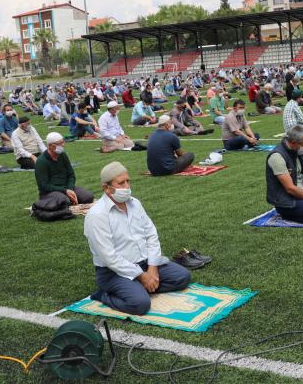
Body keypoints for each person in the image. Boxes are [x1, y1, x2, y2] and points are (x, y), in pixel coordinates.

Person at [84, 161, 192, 315]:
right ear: (106, 188)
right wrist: (142, 276)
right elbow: (109, 257)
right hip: (114, 272)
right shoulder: (97, 215)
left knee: (183, 277)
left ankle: (141, 286)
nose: (127, 186)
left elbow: (151, 235)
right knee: (140, 304)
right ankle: (103, 295)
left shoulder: (135, 204)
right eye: (121, 183)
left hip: (145, 264)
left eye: (128, 181)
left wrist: (153, 269)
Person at [34, 132, 94, 208]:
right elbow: (44, 186)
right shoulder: (41, 161)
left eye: (63, 142)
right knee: (64, 201)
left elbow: (71, 175)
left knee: (88, 196)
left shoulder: (63, 155)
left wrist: (70, 189)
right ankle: (61, 200)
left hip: (66, 188)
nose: (63, 145)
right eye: (59, 143)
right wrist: (64, 191)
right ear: (50, 146)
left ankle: (66, 199)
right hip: (50, 192)